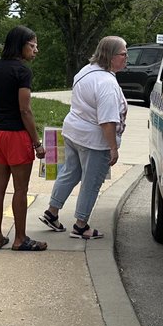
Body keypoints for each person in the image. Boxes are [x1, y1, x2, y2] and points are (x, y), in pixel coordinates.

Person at [39, 35, 129, 240]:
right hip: (93, 141)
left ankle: (52, 213)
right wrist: (113, 148)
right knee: (92, 181)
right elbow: (107, 121)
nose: (127, 58)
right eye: (124, 54)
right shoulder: (106, 83)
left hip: (73, 132)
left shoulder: (86, 71)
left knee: (70, 172)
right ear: (111, 55)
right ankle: (81, 226)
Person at [0, 25, 47, 252]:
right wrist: (37, 143)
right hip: (16, 135)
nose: (36, 50)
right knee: (21, 188)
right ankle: (20, 239)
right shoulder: (23, 71)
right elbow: (25, 110)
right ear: (21, 45)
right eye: (32, 45)